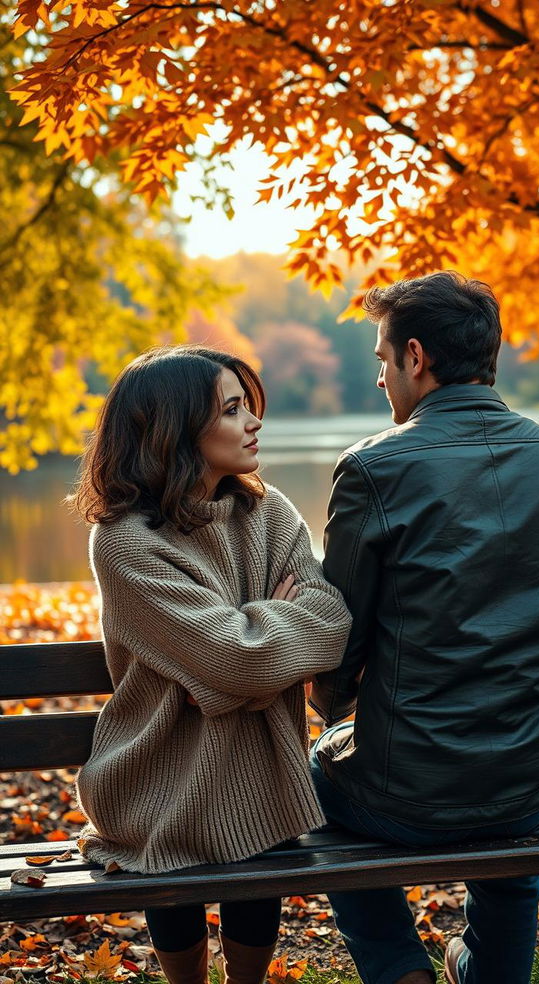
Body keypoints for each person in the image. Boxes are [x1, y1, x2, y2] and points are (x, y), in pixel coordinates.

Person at [310, 272, 539, 984]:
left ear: (415, 356)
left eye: (382, 360)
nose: (382, 380)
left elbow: (341, 648)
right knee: (504, 802)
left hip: (410, 792)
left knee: (319, 768)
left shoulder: (375, 468)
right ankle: (490, 969)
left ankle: (394, 963)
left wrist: (333, 706)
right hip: (533, 780)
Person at [72, 345, 352, 984]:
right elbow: (236, 660)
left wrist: (239, 669)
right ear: (173, 430)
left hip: (261, 767)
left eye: (248, 406)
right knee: (177, 873)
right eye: (232, 409)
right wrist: (254, 656)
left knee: (259, 836)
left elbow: (328, 620)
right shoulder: (124, 540)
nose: (254, 421)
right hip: (158, 775)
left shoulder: (270, 511)